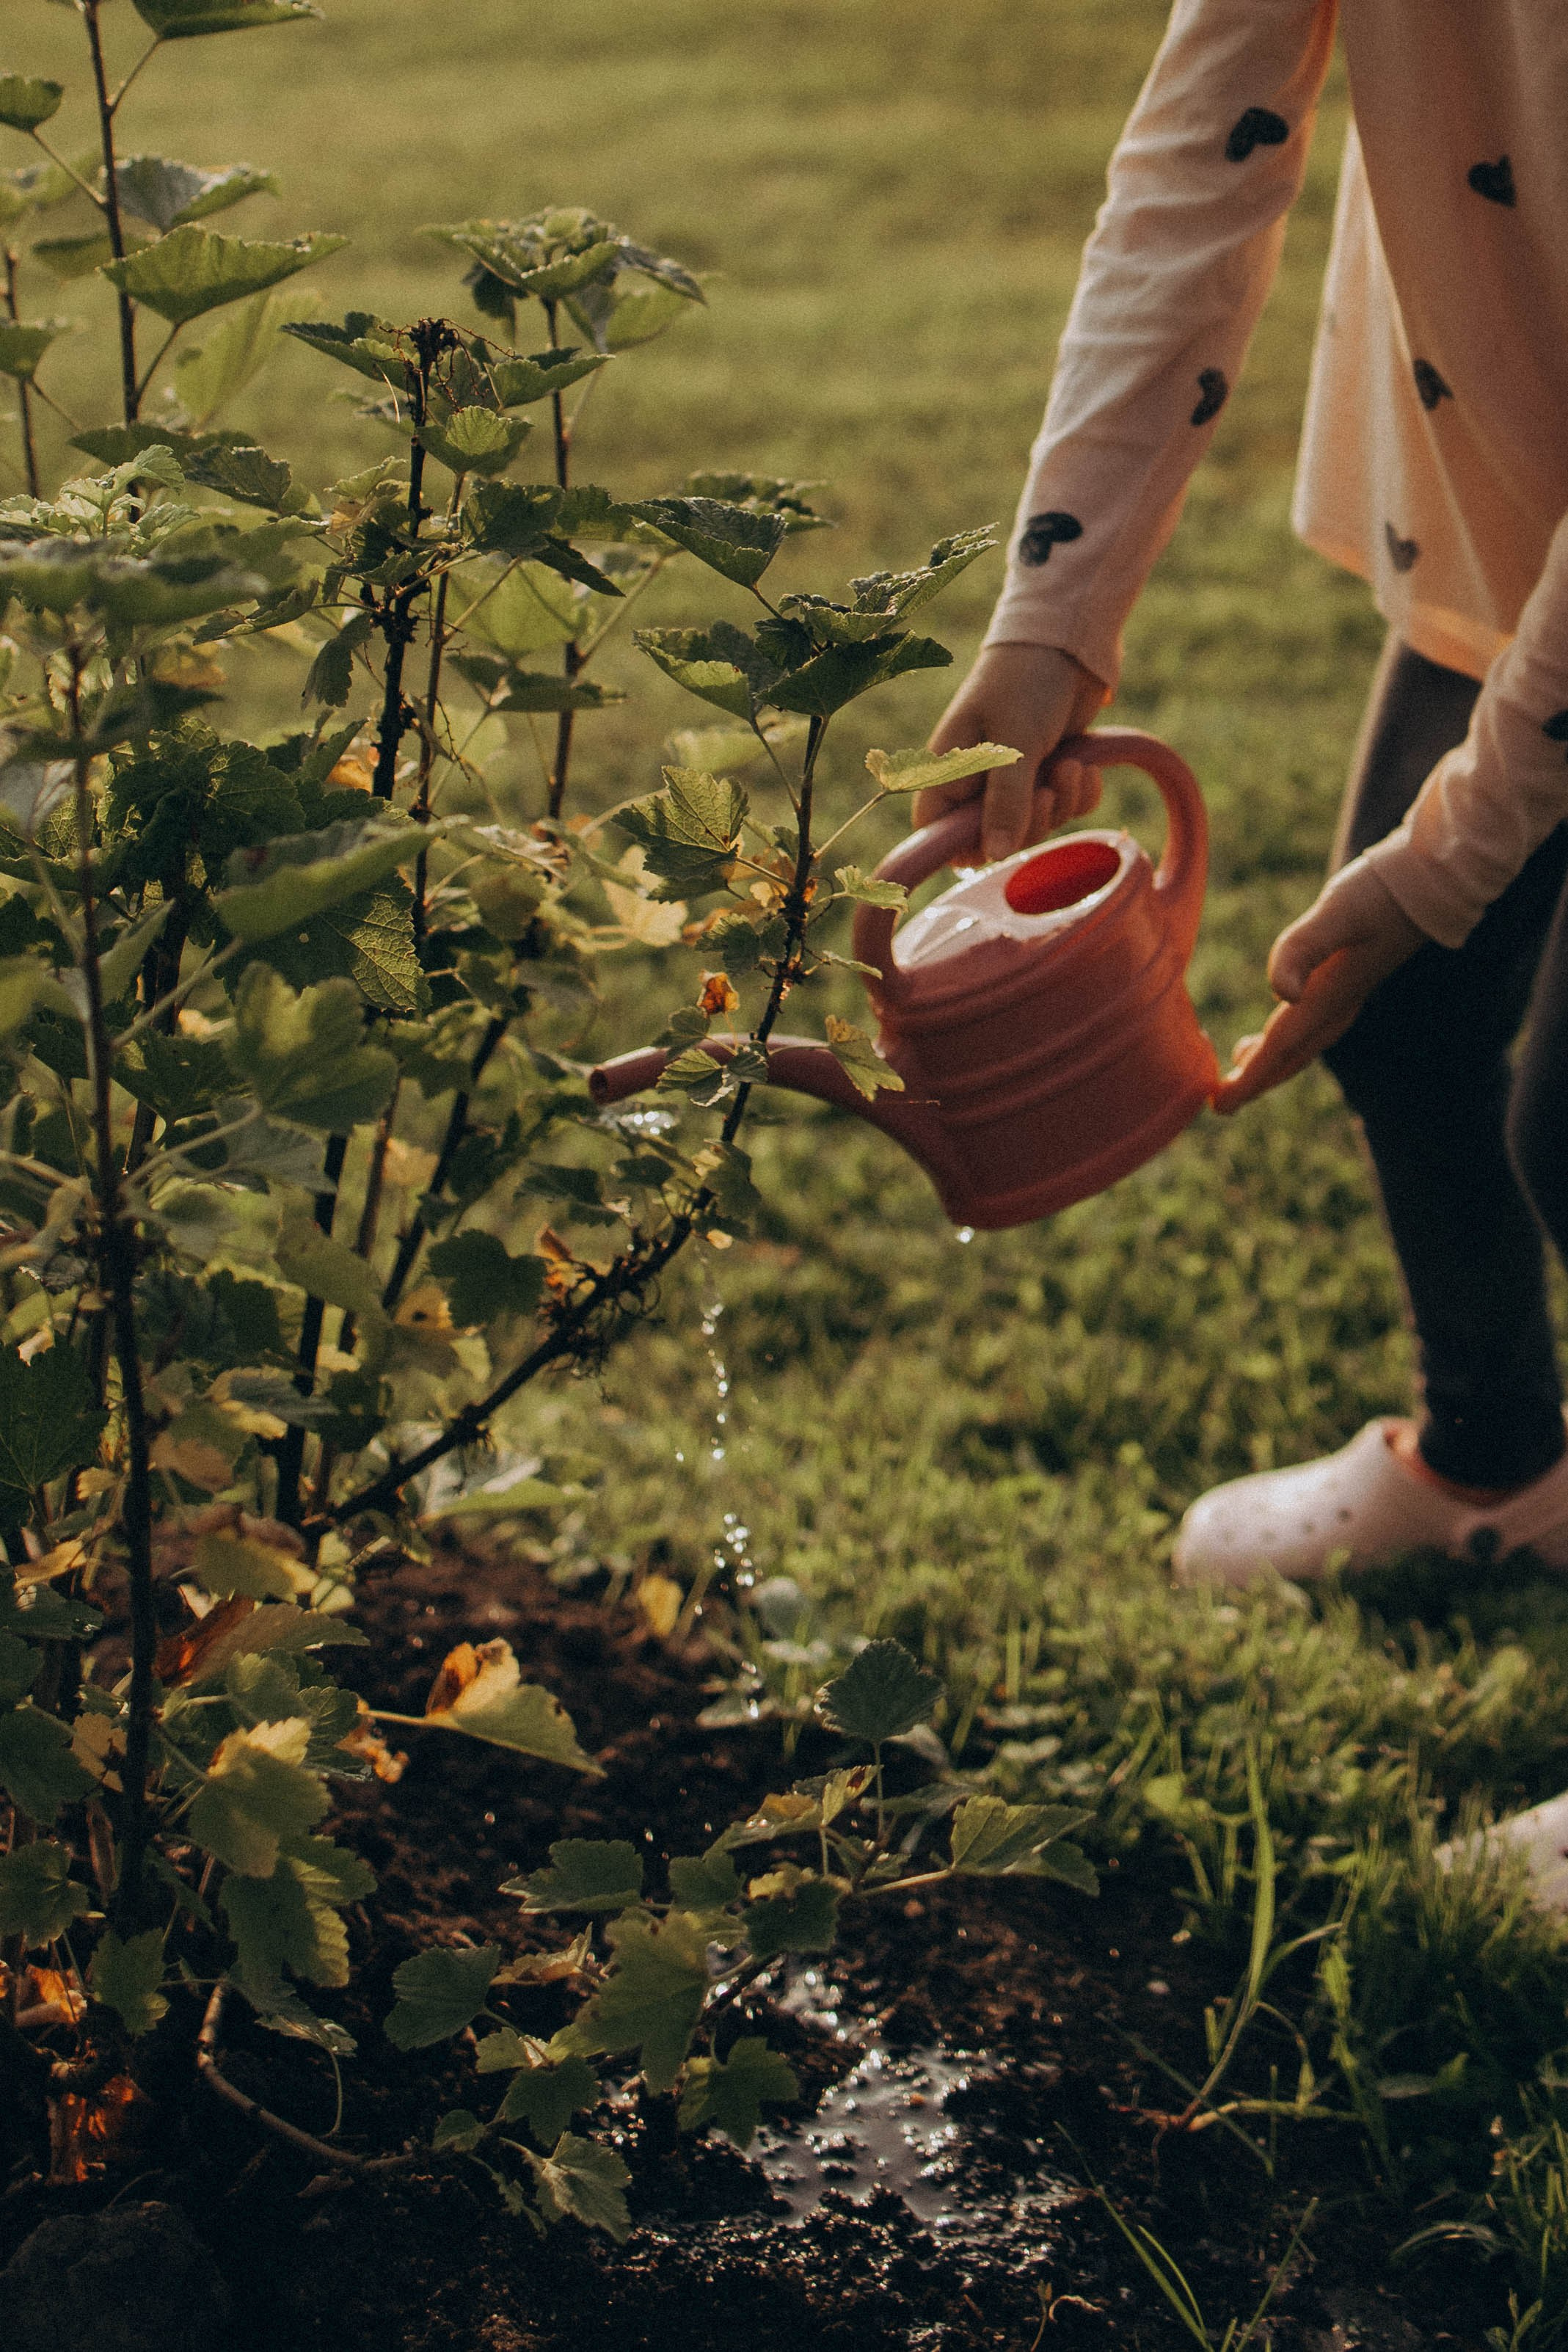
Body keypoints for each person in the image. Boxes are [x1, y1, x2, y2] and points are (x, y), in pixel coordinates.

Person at [921, 0, 1568, 1604]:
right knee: (1411, 1030)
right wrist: (1052, 614)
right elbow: (1202, 153)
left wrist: (1454, 850)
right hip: (1513, 492)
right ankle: (1503, 1464)